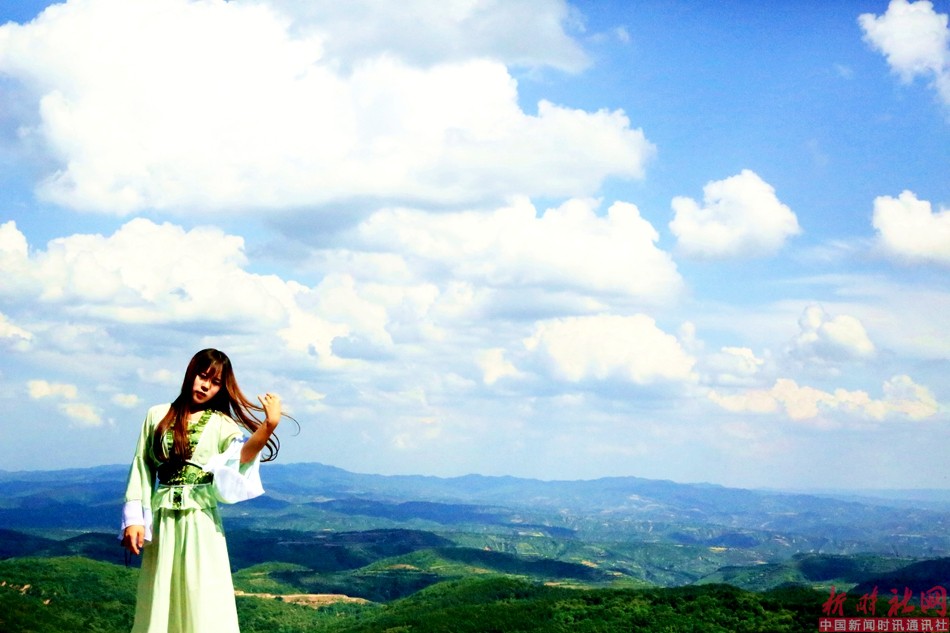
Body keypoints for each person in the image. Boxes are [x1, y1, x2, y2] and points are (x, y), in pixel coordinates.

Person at [120, 348, 285, 632]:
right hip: (163, 521)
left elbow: (240, 457)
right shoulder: (157, 415)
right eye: (202, 376)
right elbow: (142, 464)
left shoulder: (222, 424)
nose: (206, 385)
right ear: (191, 374)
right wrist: (134, 519)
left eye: (215, 382)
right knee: (160, 594)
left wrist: (268, 426)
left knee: (203, 596)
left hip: (202, 521)